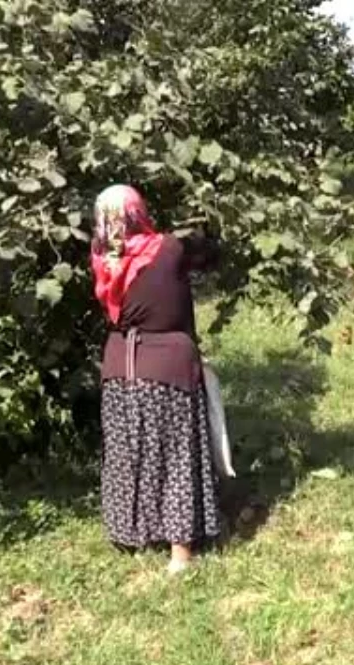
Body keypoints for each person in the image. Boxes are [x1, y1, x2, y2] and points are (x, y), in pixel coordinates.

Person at [90, 185, 221, 574]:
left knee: (128, 452)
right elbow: (204, 256)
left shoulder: (101, 256)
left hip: (119, 369)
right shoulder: (167, 248)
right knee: (177, 454)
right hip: (167, 366)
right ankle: (180, 552)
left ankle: (132, 534)